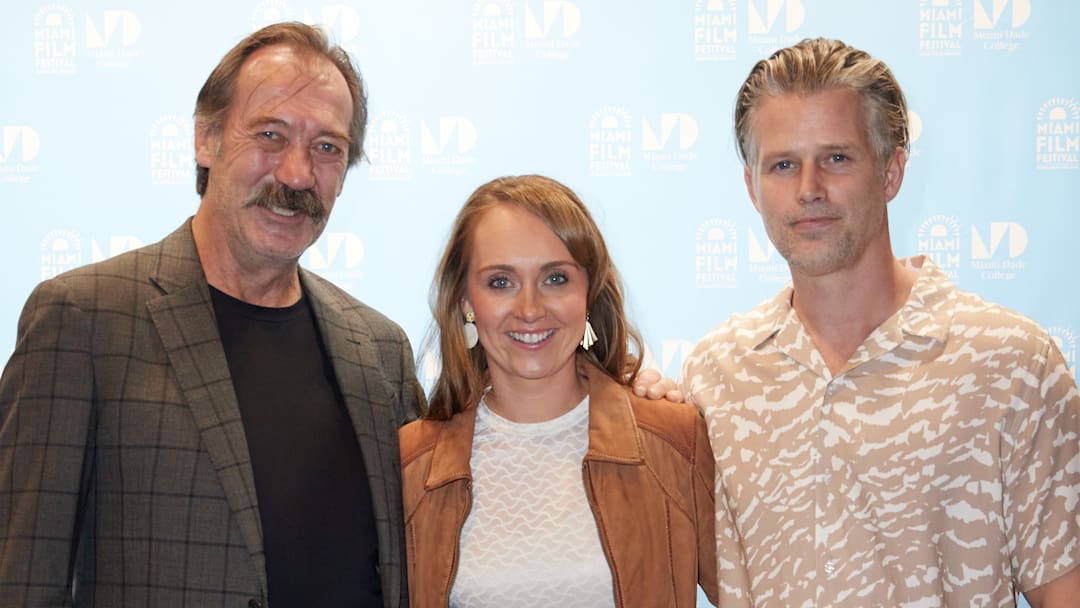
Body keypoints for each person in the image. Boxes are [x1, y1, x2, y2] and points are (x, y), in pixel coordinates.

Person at [0, 22, 421, 607]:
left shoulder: (380, 350)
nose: (298, 174)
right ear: (206, 139)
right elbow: (21, 578)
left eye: (327, 147)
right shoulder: (81, 321)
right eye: (270, 135)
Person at [680, 37, 1080, 607]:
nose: (809, 189)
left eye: (837, 158)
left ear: (891, 171)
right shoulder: (715, 375)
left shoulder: (1011, 363)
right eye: (783, 165)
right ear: (751, 186)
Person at [399, 175, 718, 607]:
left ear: (589, 292)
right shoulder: (411, 466)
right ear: (465, 301)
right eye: (500, 282)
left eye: (555, 279)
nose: (530, 309)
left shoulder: (674, 440)